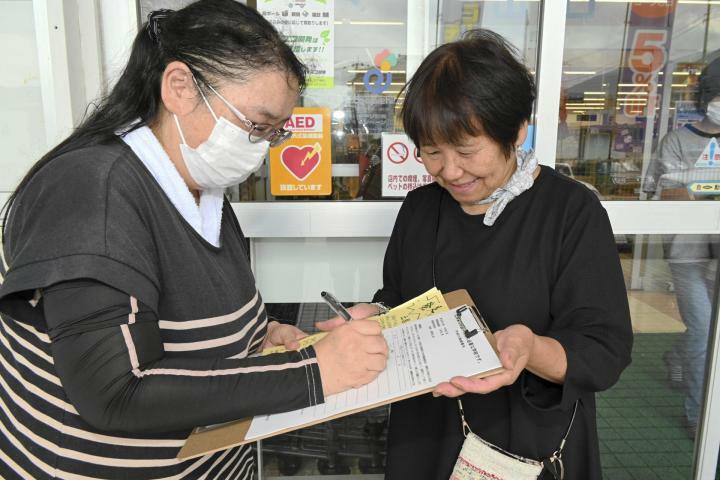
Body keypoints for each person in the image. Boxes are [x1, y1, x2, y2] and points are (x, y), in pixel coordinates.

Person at [0, 1, 387, 478]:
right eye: (255, 126)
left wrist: (258, 339)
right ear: (179, 87)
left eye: (274, 133)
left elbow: (187, 320)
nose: (261, 148)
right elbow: (116, 393)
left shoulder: (202, 191)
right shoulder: (91, 193)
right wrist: (313, 371)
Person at [364, 30, 633, 479]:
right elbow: (399, 298)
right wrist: (371, 315)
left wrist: (530, 348)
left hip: (526, 444)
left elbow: (604, 349)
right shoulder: (421, 207)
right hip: (427, 436)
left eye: (467, 150)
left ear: (518, 132)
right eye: (431, 152)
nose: (449, 170)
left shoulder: (570, 211)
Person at [642, 56, 720, 437]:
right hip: (688, 253)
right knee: (705, 330)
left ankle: (677, 354)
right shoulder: (676, 141)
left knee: (707, 330)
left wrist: (699, 188)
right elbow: (670, 194)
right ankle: (697, 414)